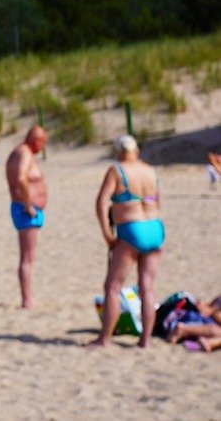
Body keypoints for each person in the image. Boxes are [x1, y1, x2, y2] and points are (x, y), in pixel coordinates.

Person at [87, 135, 164, 348]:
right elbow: (158, 200)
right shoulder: (150, 170)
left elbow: (101, 203)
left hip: (132, 229)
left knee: (112, 286)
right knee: (147, 288)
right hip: (155, 228)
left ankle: (104, 339)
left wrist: (107, 234)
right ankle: (145, 341)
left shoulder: (117, 170)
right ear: (136, 151)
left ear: (119, 152)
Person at [6, 125, 48, 309]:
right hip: (26, 210)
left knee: (29, 256)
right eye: (43, 143)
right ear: (36, 140)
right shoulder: (24, 154)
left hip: (26, 209)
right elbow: (21, 178)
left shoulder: (20, 152)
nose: (43, 147)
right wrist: (28, 204)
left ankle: (27, 297)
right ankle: (27, 299)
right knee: (28, 257)